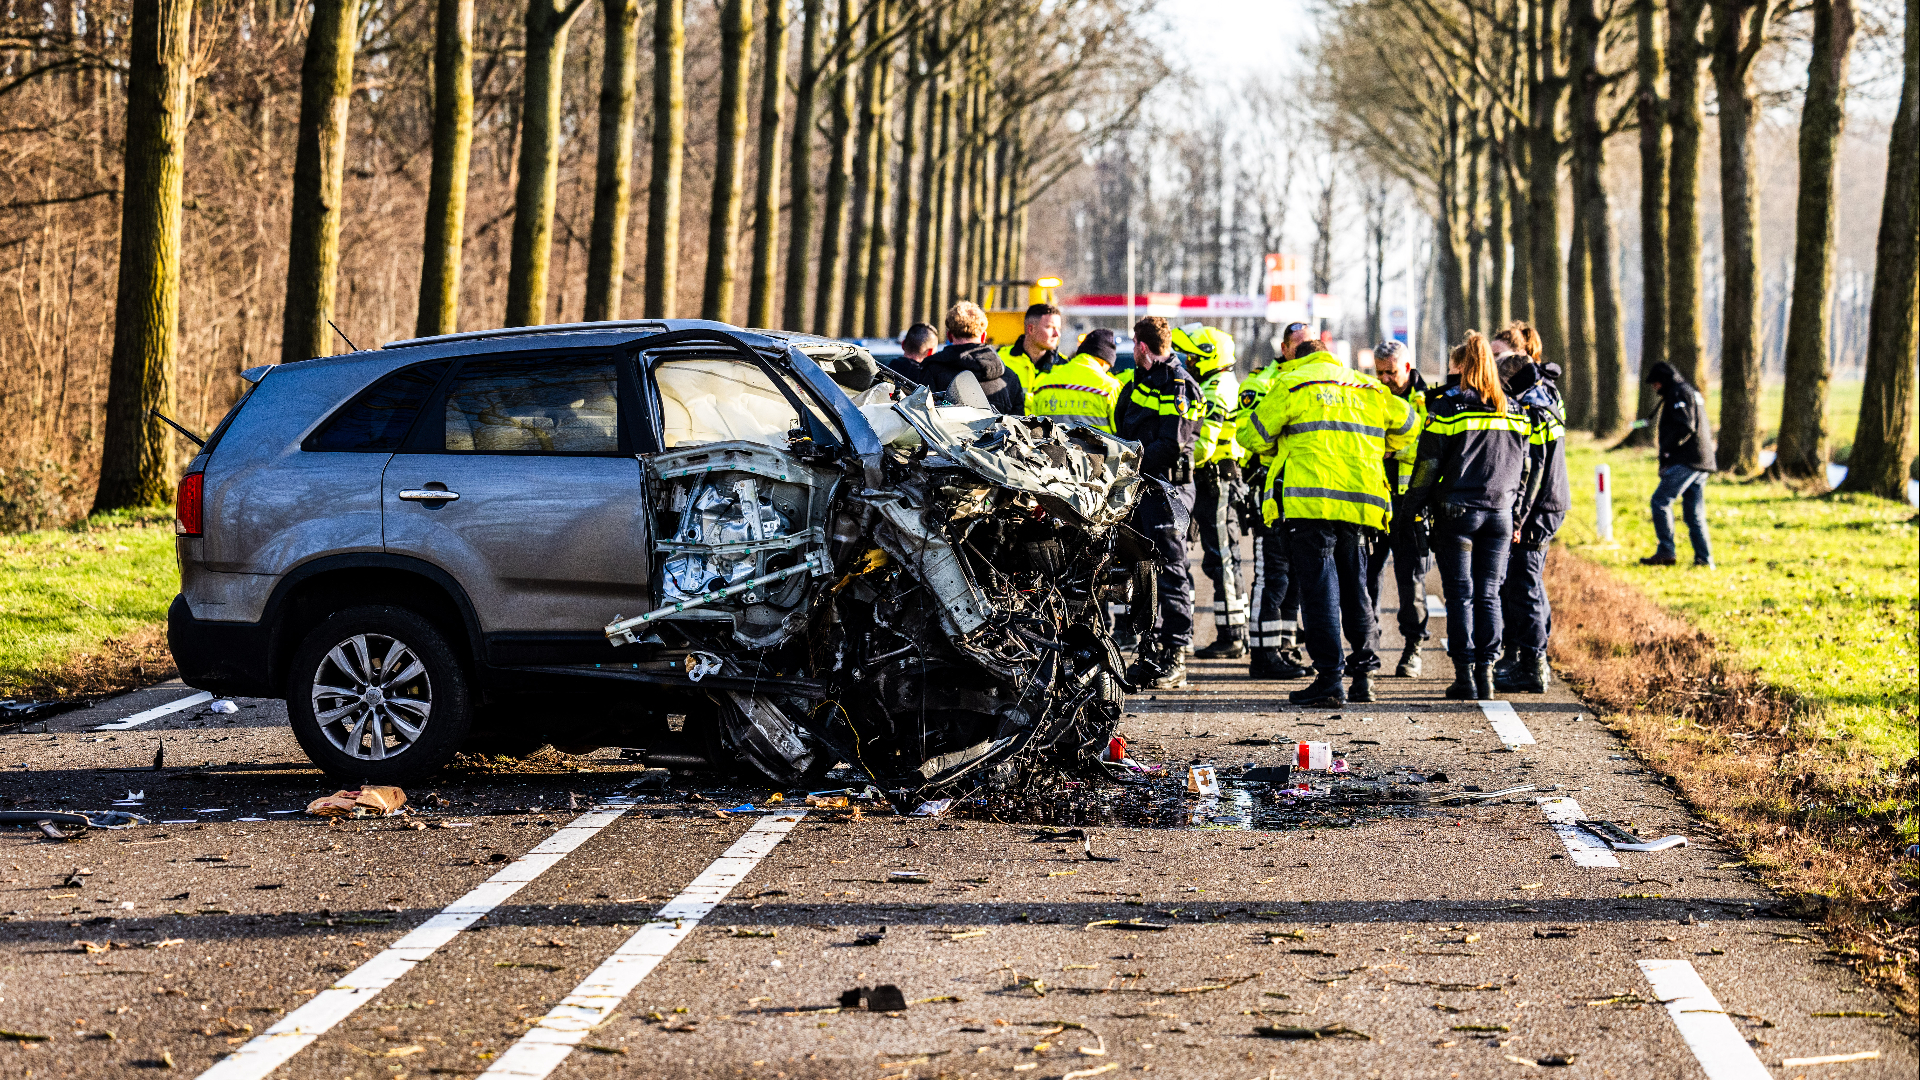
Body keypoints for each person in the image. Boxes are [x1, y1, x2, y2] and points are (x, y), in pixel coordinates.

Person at [1240, 337, 1416, 706]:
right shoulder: (1367, 386)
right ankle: (1364, 674)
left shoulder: (1293, 384)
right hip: (1359, 504)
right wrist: (1381, 447)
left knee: (1319, 592)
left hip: (1309, 503)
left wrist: (1281, 443)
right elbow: (1413, 426)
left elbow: (1251, 435)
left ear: (1298, 360)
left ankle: (1330, 679)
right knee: (1356, 587)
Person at [1404, 332, 1538, 701]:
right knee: (1489, 595)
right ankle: (1488, 675)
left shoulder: (1448, 408)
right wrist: (1518, 514)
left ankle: (1464, 676)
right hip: (1500, 514)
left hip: (1457, 514)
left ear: (1462, 368)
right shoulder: (1515, 409)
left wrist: (1410, 511)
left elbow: (1427, 466)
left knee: (1461, 595)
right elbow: (1525, 469)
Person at [1114, 316, 1204, 690]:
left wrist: (1128, 461)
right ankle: (1150, 654)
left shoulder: (1181, 385)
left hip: (1168, 489)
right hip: (1141, 487)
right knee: (1140, 571)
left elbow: (1172, 444)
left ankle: (1177, 655)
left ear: (1141, 346)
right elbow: (1123, 422)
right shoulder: (1138, 381)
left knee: (1171, 571)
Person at [1494, 325, 1569, 694]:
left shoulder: (1535, 408)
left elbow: (1534, 468)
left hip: (1539, 509)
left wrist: (1520, 517)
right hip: (1545, 505)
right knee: (1524, 583)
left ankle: (1534, 666)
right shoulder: (1544, 396)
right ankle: (1528, 660)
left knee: (1525, 584)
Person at [1238, 324, 1316, 679]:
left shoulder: (1315, 383)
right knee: (1272, 576)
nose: (1304, 353)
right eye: (1299, 346)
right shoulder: (1262, 382)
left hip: (1301, 491)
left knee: (1295, 578)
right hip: (1269, 489)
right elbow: (1250, 435)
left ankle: (1284, 647)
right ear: (1284, 347)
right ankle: (1263, 653)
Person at [1173, 324, 1250, 659]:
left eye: (1190, 355)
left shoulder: (1218, 390)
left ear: (1207, 357)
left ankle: (1233, 635)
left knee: (1222, 558)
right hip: (1209, 480)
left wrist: (1177, 453)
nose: (1185, 360)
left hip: (1216, 480)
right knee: (1219, 558)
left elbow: (1204, 445)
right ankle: (1232, 631)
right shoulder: (1214, 384)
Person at [1364, 340, 1432, 677]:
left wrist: (1394, 452)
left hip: (1410, 504)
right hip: (1376, 500)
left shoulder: (1427, 399)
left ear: (1407, 367)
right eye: (1380, 373)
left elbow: (1429, 446)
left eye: (1391, 372)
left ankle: (1413, 648)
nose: (1386, 379)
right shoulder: (1370, 395)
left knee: (1411, 580)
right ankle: (1368, 646)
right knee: (1365, 576)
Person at [1640, 361, 1716, 569]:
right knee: (1694, 514)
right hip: (1702, 461)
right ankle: (1704, 559)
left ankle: (1666, 550)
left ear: (1663, 380)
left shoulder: (1678, 393)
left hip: (1687, 460)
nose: (1654, 388)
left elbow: (1686, 426)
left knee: (1661, 500)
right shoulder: (1687, 391)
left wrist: (1668, 450)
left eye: (1655, 383)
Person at [921, 301, 1025, 414]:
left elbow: (920, 417)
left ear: (949, 336)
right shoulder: (1009, 377)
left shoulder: (931, 371)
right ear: (984, 336)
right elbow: (1018, 426)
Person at [1027, 327, 1121, 432]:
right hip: (1096, 448)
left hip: (1050, 448)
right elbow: (1121, 434)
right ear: (1105, 361)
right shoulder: (1110, 387)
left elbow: (1033, 430)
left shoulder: (1043, 385)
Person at [998, 303, 1064, 396]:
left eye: (1058, 328)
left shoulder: (1064, 366)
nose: (1057, 334)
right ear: (1031, 329)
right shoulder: (1000, 360)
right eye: (1050, 327)